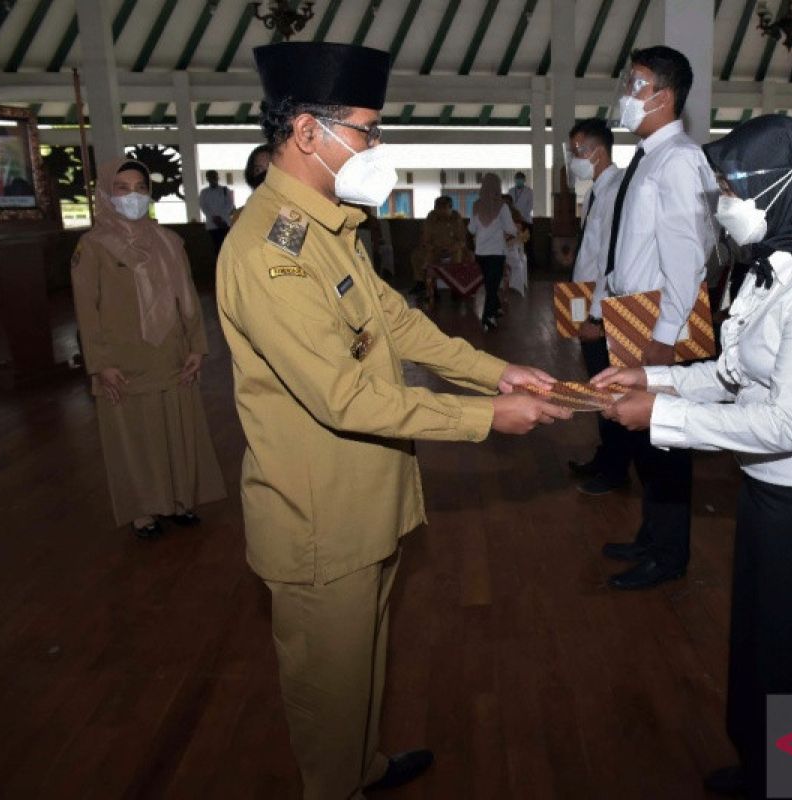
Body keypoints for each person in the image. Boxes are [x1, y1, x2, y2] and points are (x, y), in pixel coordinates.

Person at [216, 41, 570, 799]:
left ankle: (364, 768)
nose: (376, 147)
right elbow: (343, 397)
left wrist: (495, 369)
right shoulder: (268, 254)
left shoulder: (326, 228)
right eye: (367, 131)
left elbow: (399, 327)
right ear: (309, 134)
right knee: (326, 694)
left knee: (363, 667)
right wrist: (486, 416)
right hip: (319, 519)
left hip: (363, 500)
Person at [597, 114, 792, 800]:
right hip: (772, 488)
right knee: (758, 643)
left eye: (730, 188)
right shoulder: (772, 267)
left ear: (786, 186)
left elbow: (786, 422)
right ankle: (762, 768)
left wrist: (659, 416)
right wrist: (654, 379)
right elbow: (733, 375)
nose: (721, 202)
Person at [600, 45, 714, 589]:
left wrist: (664, 340)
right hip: (631, 316)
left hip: (657, 325)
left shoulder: (680, 160)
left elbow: (687, 261)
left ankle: (669, 556)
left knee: (666, 443)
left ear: (663, 97)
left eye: (635, 84)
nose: (626, 94)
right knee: (645, 440)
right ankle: (651, 535)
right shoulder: (648, 158)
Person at [71, 158, 225, 539]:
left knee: (177, 429)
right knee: (135, 436)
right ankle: (144, 511)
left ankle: (179, 501)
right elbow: (86, 311)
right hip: (123, 361)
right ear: (106, 193)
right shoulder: (92, 247)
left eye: (140, 188)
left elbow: (186, 296)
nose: (133, 197)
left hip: (171, 355)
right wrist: (100, 363)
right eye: (122, 189)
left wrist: (196, 347)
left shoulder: (169, 242)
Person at [563, 117, 632, 495]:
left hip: (604, 313)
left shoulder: (618, 191)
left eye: (576, 151)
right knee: (598, 389)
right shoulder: (595, 192)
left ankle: (616, 469)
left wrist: (596, 317)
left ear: (596, 150)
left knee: (610, 391)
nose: (573, 159)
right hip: (589, 304)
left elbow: (611, 260)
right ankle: (606, 457)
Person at [468, 173, 518, 331]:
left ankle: (495, 309)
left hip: (481, 253)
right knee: (492, 286)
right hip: (496, 253)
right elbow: (511, 229)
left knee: (490, 284)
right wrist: (507, 230)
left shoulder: (476, 205)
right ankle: (487, 317)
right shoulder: (502, 206)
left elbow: (471, 229)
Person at [412, 195, 467, 303]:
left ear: (450, 207)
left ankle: (455, 288)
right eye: (438, 207)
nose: (440, 210)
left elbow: (462, 240)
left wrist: (452, 248)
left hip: (453, 250)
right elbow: (425, 238)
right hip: (435, 249)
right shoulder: (431, 217)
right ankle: (425, 285)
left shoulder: (456, 217)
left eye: (444, 207)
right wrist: (431, 247)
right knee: (417, 255)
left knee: (460, 254)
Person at [199, 169, 235, 254]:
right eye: (210, 177)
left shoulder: (225, 190)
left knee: (226, 247)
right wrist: (214, 218)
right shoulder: (204, 192)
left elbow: (230, 204)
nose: (212, 179)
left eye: (214, 177)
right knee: (216, 247)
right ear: (207, 179)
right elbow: (203, 206)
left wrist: (220, 217)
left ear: (217, 177)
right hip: (212, 224)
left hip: (224, 223)